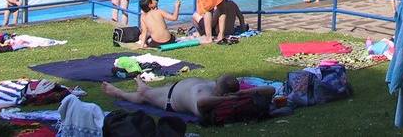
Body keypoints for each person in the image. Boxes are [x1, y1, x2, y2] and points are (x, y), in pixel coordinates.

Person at [102, 75, 275, 120]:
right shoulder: (226, 91)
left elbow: (201, 103)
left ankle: (119, 92)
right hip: (177, 88)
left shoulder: (207, 99)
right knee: (147, 92)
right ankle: (140, 83)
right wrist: (242, 93)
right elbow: (271, 90)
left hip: (171, 99)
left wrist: (232, 97)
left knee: (144, 95)